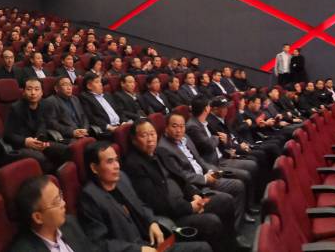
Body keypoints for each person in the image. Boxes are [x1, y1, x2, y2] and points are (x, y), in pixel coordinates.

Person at [121, 120, 235, 252]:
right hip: (173, 215)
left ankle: (231, 246)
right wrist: (189, 207)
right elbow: (156, 202)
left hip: (188, 201)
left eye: (152, 133)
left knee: (225, 200)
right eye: (144, 135)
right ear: (134, 140)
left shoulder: (161, 152)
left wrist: (194, 194)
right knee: (212, 222)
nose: (150, 139)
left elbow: (181, 178)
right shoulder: (133, 165)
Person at [78, 141, 212, 252]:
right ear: (94, 168)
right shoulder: (90, 197)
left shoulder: (122, 179)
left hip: (150, 243)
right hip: (134, 248)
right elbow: (100, 244)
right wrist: (138, 249)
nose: (117, 166)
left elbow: (140, 204)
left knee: (203, 247)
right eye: (109, 162)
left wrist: (151, 222)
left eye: (116, 160)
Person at [185, 98, 261, 210]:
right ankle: (247, 208)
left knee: (252, 164)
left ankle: (252, 203)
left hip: (222, 156)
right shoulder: (193, 126)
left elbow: (222, 140)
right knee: (244, 176)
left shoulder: (205, 122)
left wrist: (227, 148)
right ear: (207, 109)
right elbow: (209, 145)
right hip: (213, 163)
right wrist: (216, 138)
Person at [9, 175, 96, 252]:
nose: (63, 203)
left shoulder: (70, 223)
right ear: (38, 217)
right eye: (56, 202)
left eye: (60, 196)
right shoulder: (23, 249)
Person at [4, 78, 71, 175]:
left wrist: (40, 141)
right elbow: (8, 134)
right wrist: (25, 141)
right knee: (40, 158)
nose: (33, 93)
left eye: (36, 89)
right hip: (22, 146)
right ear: (24, 92)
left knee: (66, 150)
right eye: (29, 89)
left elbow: (43, 125)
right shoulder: (16, 108)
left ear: (42, 92)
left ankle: (62, 176)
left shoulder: (45, 104)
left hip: (39, 142)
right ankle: (52, 178)